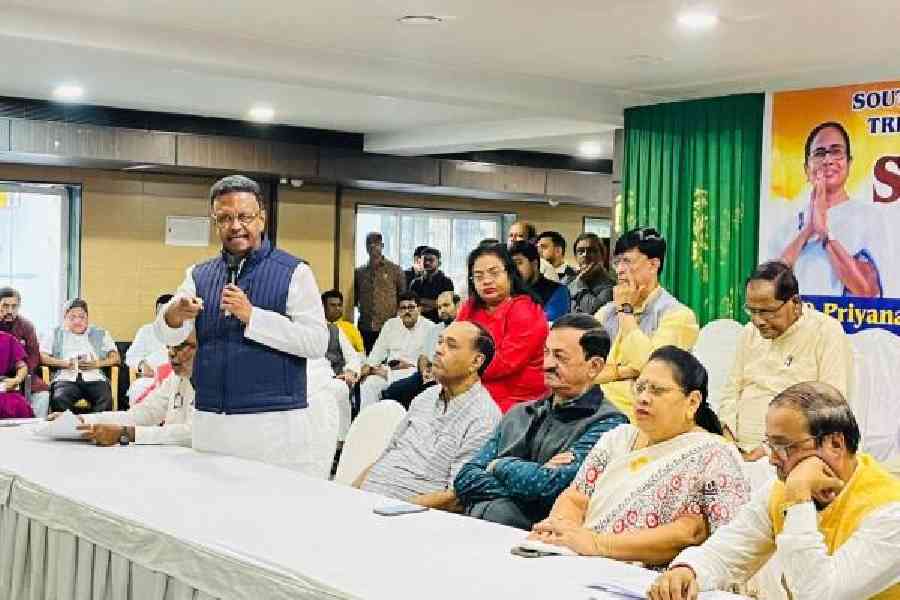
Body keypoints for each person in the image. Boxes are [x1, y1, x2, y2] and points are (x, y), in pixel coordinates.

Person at [649, 382, 900, 600]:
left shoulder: (891, 511)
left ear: (835, 444)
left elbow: (818, 594)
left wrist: (799, 495)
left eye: (784, 447)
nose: (772, 460)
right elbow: (730, 549)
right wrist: (688, 570)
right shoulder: (781, 489)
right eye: (770, 445)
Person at [156, 174, 328, 473]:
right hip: (210, 423)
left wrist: (252, 316)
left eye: (244, 216)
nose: (235, 226)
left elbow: (316, 342)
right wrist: (173, 315)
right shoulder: (198, 274)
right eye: (224, 218)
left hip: (272, 425)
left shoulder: (295, 272)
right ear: (215, 223)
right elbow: (168, 332)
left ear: (261, 219)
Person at [530, 347, 748, 566]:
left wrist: (599, 545)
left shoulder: (714, 454)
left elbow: (691, 533)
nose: (643, 398)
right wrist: (561, 532)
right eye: (640, 388)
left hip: (655, 579)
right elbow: (576, 498)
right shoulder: (618, 439)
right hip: (581, 559)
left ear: (692, 402)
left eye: (657, 391)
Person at [453, 314, 628, 530]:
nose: (547, 364)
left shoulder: (609, 425)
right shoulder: (519, 414)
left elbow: (552, 489)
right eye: (546, 353)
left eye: (560, 357)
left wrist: (497, 465)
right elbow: (465, 479)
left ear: (594, 366)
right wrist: (530, 478)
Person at [355, 321, 501, 508]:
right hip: (367, 502)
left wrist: (390, 509)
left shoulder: (484, 417)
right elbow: (387, 455)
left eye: (451, 345)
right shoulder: (425, 396)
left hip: (405, 515)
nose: (439, 350)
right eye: (440, 342)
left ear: (476, 362)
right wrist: (350, 493)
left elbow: (456, 497)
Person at [719, 261, 853, 460]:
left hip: (794, 454)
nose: (758, 321)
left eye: (766, 311)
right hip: (738, 452)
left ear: (795, 303)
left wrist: (768, 450)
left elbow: (830, 408)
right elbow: (731, 392)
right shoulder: (750, 333)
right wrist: (728, 443)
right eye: (751, 311)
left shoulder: (825, 332)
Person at [594, 227, 699, 419]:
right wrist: (625, 371)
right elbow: (585, 369)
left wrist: (626, 311)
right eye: (617, 262)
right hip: (595, 407)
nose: (619, 270)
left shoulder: (678, 315)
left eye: (627, 261)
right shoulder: (606, 312)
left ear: (653, 265)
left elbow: (651, 369)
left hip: (638, 416)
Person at [775, 121, 883, 297]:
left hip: (844, 323)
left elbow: (866, 291)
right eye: (819, 153)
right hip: (799, 322)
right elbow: (771, 287)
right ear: (806, 168)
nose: (827, 160)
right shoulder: (788, 223)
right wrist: (808, 230)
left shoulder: (868, 217)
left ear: (849, 163)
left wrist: (825, 233)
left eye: (836, 151)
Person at [456, 243, 549, 413]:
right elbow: (453, 344)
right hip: (471, 387)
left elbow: (504, 363)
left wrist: (456, 369)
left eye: (494, 273)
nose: (486, 281)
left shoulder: (525, 310)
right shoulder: (470, 308)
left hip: (516, 400)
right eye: (478, 276)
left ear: (510, 274)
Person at [74, 332, 198, 446]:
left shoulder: (213, 383)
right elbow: (142, 414)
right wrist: (82, 419)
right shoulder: (175, 378)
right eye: (169, 346)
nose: (171, 353)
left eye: (181, 345)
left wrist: (127, 433)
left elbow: (193, 433)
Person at [358, 291, 435, 412]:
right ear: (398, 311)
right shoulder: (391, 324)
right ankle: (367, 425)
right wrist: (369, 367)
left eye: (411, 307)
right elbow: (378, 351)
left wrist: (407, 367)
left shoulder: (430, 327)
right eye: (403, 308)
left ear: (419, 309)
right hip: (388, 369)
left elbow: (431, 361)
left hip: (414, 373)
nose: (407, 311)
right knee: (369, 384)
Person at [382, 291, 459, 409]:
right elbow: (423, 357)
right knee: (392, 392)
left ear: (458, 305)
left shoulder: (465, 329)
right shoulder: (435, 329)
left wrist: (437, 374)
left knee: (425, 398)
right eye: (439, 307)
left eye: (446, 305)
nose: (442, 310)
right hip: (427, 375)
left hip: (449, 378)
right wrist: (424, 372)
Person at [42, 299, 119, 414]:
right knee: (59, 398)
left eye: (82, 317)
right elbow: (42, 356)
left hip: (94, 378)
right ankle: (70, 429)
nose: (77, 321)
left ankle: (95, 429)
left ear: (87, 317)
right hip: (66, 378)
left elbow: (116, 358)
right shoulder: (55, 333)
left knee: (105, 399)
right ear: (65, 318)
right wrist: (65, 363)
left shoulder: (100, 333)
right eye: (72, 317)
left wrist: (96, 364)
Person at [0, 287, 49, 417]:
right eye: (5, 306)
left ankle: (36, 428)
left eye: (14, 306)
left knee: (43, 394)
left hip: (24, 374)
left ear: (19, 306)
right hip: (2, 375)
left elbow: (34, 357)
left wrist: (19, 377)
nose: (10, 311)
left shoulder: (26, 326)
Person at [354, 232, 406, 354]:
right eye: (369, 244)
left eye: (376, 244)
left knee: (387, 361)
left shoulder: (395, 270)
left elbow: (403, 297)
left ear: (382, 246)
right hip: (365, 326)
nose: (372, 247)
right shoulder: (359, 272)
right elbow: (355, 299)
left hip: (388, 326)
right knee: (366, 359)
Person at [321, 308, 362, 441]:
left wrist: (350, 371)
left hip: (333, 378)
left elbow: (353, 357)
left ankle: (342, 442)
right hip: (306, 380)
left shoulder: (334, 330)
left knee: (340, 389)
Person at [125, 293, 173, 403]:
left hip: (176, 381)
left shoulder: (184, 332)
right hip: (151, 378)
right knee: (137, 388)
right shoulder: (146, 331)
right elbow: (131, 356)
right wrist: (141, 365)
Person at [510, 241, 571, 322]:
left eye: (519, 263)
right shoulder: (510, 292)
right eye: (511, 265)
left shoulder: (557, 290)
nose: (514, 269)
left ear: (534, 264)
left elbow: (549, 322)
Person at [568, 232, 615, 314]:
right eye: (581, 251)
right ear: (576, 257)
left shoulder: (611, 286)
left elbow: (593, 311)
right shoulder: (567, 280)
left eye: (591, 250)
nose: (585, 255)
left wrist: (580, 282)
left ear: (603, 255)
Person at [409, 247, 454, 323]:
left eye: (431, 260)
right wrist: (434, 303)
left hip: (440, 323)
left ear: (439, 263)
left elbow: (446, 306)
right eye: (425, 260)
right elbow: (412, 306)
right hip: (419, 325)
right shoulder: (415, 283)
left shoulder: (447, 282)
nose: (427, 263)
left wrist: (421, 301)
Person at [0, 331, 35, 418]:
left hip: (4, 389)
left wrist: (17, 379)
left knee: (19, 405)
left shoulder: (7, 339)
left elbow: (22, 366)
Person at [322, 289, 364, 353]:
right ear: (323, 307)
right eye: (333, 305)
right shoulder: (317, 328)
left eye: (339, 305)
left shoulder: (351, 329)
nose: (337, 308)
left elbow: (361, 354)